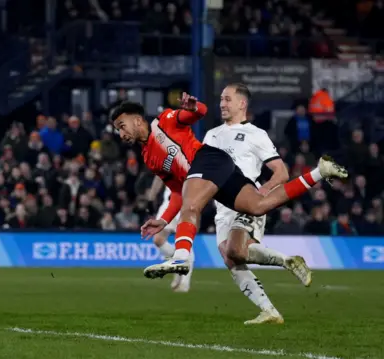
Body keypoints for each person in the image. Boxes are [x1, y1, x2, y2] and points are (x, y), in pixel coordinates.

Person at [110, 92, 348, 279]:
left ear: (137, 119)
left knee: (192, 206)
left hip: (209, 160)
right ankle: (319, 172)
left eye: (122, 126)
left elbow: (196, 113)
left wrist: (194, 107)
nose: (121, 134)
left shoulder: (165, 121)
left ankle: (182, 256)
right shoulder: (149, 157)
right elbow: (176, 191)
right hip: (208, 176)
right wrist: (164, 220)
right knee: (258, 206)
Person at [200, 83, 311, 324]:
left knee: (235, 250)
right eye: (221, 99)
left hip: (245, 201)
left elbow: (281, 172)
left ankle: (286, 261)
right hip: (221, 207)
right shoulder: (211, 135)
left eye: (228, 99)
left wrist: (259, 193)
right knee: (230, 257)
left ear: (242, 104)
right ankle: (270, 310)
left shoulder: (256, 134)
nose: (222, 104)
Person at [147, 178, 192, 292]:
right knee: (158, 239)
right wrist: (151, 197)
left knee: (184, 240)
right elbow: (159, 176)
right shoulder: (167, 160)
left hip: (186, 202)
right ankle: (178, 264)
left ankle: (185, 283)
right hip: (169, 201)